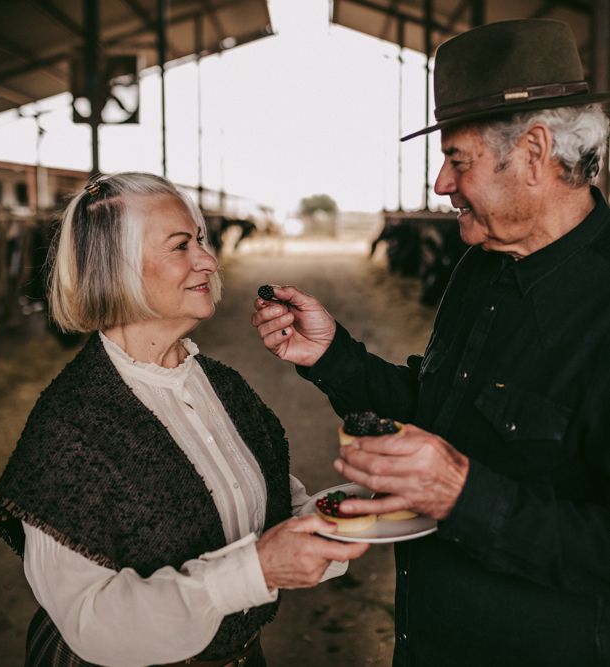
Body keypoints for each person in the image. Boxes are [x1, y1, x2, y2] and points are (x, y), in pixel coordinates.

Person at [251, 19, 610, 667]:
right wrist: (331, 356)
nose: (440, 183)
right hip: (431, 638)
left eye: (457, 159)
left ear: (532, 152)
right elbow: (437, 407)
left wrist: (461, 493)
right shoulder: (482, 265)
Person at [0, 173, 369, 667]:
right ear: (116, 267)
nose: (208, 260)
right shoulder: (70, 426)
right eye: (181, 246)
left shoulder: (222, 386)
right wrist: (254, 571)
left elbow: (268, 510)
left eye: (203, 240)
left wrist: (359, 509)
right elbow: (92, 620)